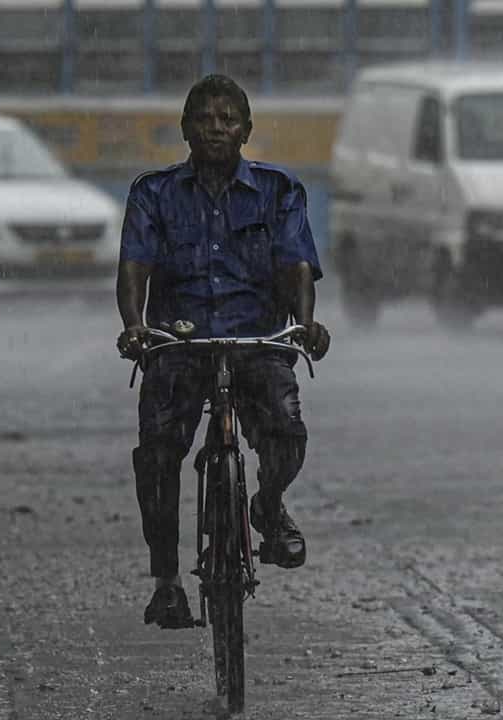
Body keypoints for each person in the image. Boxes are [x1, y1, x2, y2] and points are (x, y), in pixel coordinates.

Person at [115, 74, 331, 629]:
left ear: (247, 130)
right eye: (205, 118)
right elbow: (135, 265)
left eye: (228, 118)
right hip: (178, 344)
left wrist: (305, 324)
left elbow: (296, 266)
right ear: (185, 128)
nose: (216, 128)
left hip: (256, 341)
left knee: (285, 428)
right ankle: (166, 582)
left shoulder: (279, 192)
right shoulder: (153, 194)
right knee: (159, 454)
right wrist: (136, 327)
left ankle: (267, 503)